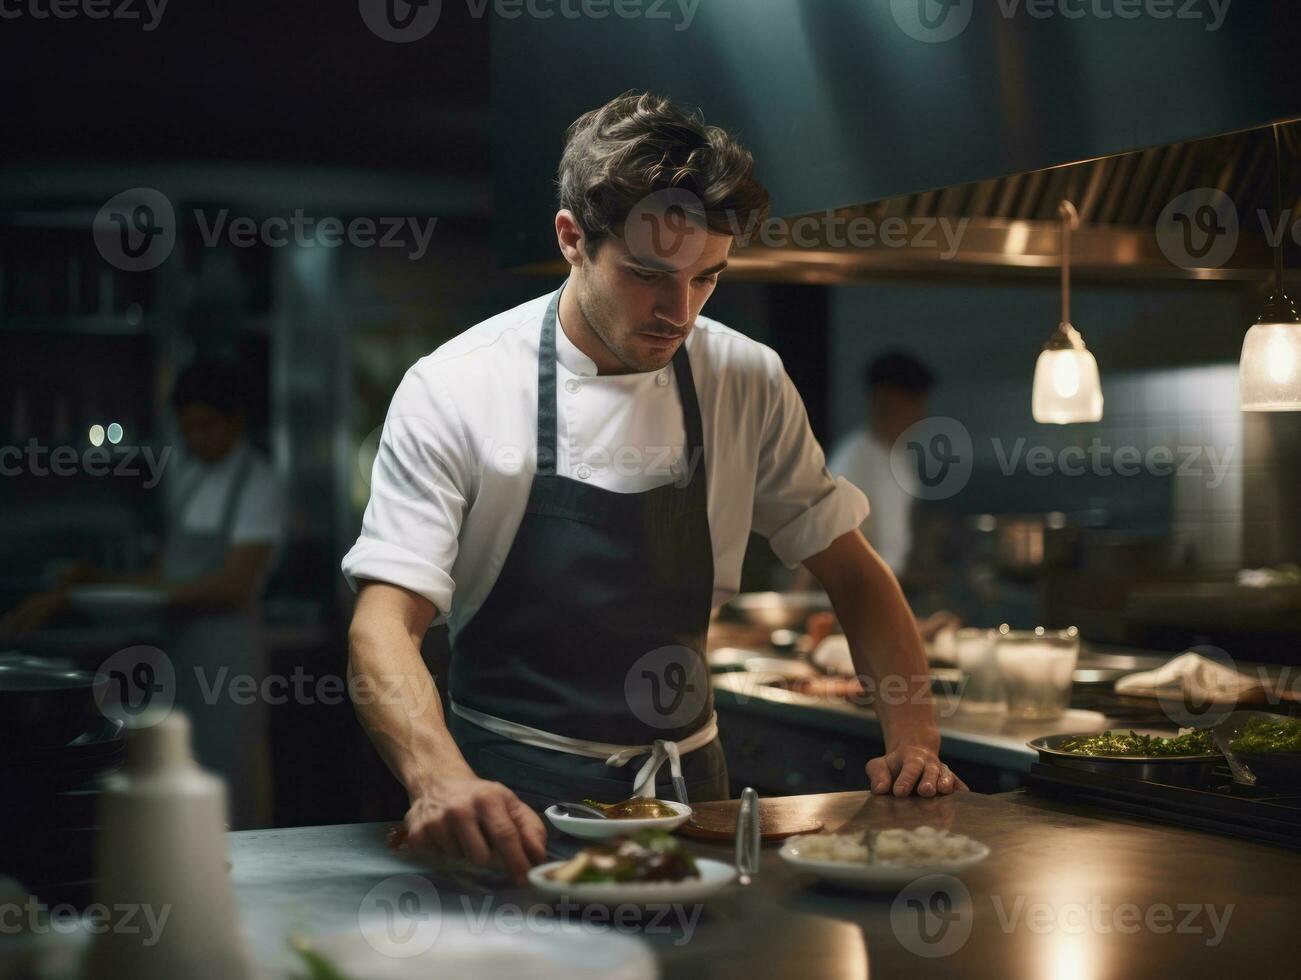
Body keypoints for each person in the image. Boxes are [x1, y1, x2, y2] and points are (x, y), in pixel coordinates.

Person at [342, 91, 966, 885]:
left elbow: (852, 570)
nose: (680, 313)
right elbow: (381, 626)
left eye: (708, 277)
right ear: (571, 239)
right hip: (505, 805)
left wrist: (913, 740)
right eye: (648, 276)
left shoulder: (744, 377)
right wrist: (437, 777)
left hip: (689, 803)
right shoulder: (457, 388)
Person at [3, 360, 284, 827]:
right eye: (187, 428)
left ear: (236, 420)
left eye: (207, 426)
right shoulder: (190, 479)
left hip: (226, 654)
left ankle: (232, 882)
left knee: (223, 773)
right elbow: (162, 574)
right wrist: (94, 580)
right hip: (178, 649)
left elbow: (233, 586)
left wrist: (140, 596)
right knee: (172, 768)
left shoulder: (258, 481)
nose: (196, 438)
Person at [826, 352, 934, 576]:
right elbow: (830, 539)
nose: (922, 412)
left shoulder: (900, 456)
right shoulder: (854, 458)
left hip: (892, 580)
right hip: (858, 583)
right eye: (914, 400)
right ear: (886, 398)